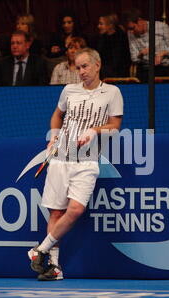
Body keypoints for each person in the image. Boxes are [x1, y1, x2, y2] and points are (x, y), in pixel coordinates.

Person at [27, 48, 123, 281]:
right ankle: (54, 268)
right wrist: (53, 137)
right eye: (77, 68)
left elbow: (115, 126)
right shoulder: (69, 90)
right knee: (56, 211)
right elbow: (57, 115)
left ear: (97, 65)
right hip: (61, 159)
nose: (81, 72)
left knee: (76, 210)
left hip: (87, 162)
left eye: (85, 66)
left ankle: (40, 250)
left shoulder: (112, 92)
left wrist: (94, 131)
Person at [122, 8, 169, 82]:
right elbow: (134, 58)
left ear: (140, 21)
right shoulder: (130, 33)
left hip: (165, 66)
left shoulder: (161, 27)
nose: (131, 32)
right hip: (146, 68)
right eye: (129, 29)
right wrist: (141, 54)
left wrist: (162, 53)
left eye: (132, 28)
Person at [95, 13, 131, 78]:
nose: (98, 26)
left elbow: (118, 62)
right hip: (104, 72)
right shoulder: (101, 39)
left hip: (118, 74)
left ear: (110, 25)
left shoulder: (121, 38)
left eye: (101, 24)